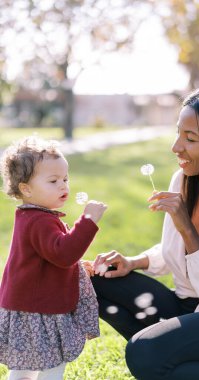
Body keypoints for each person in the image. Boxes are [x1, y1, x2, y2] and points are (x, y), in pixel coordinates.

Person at [91, 84, 199, 380]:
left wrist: (187, 228)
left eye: (190, 138)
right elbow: (174, 250)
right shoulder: (184, 179)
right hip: (188, 305)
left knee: (143, 352)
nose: (176, 147)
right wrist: (134, 261)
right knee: (96, 282)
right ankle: (192, 359)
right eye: (178, 133)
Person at [0, 136, 107, 380]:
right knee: (52, 364)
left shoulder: (32, 216)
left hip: (25, 304)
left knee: (25, 365)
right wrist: (88, 221)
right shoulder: (40, 220)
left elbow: (47, 258)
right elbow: (62, 253)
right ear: (26, 188)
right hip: (41, 309)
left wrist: (80, 268)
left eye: (65, 179)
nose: (63, 186)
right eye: (53, 181)